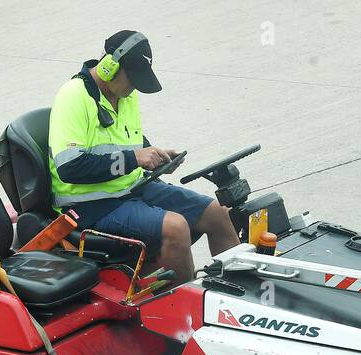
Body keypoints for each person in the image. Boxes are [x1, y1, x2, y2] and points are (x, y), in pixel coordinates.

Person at [47, 30, 239, 284]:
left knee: (217, 213)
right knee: (176, 227)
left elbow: (132, 144)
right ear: (109, 66)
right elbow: (69, 168)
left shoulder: (126, 96)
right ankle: (189, 314)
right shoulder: (74, 95)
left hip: (133, 188)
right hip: (89, 207)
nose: (134, 87)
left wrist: (156, 156)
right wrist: (136, 158)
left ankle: (241, 297)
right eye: (133, 79)